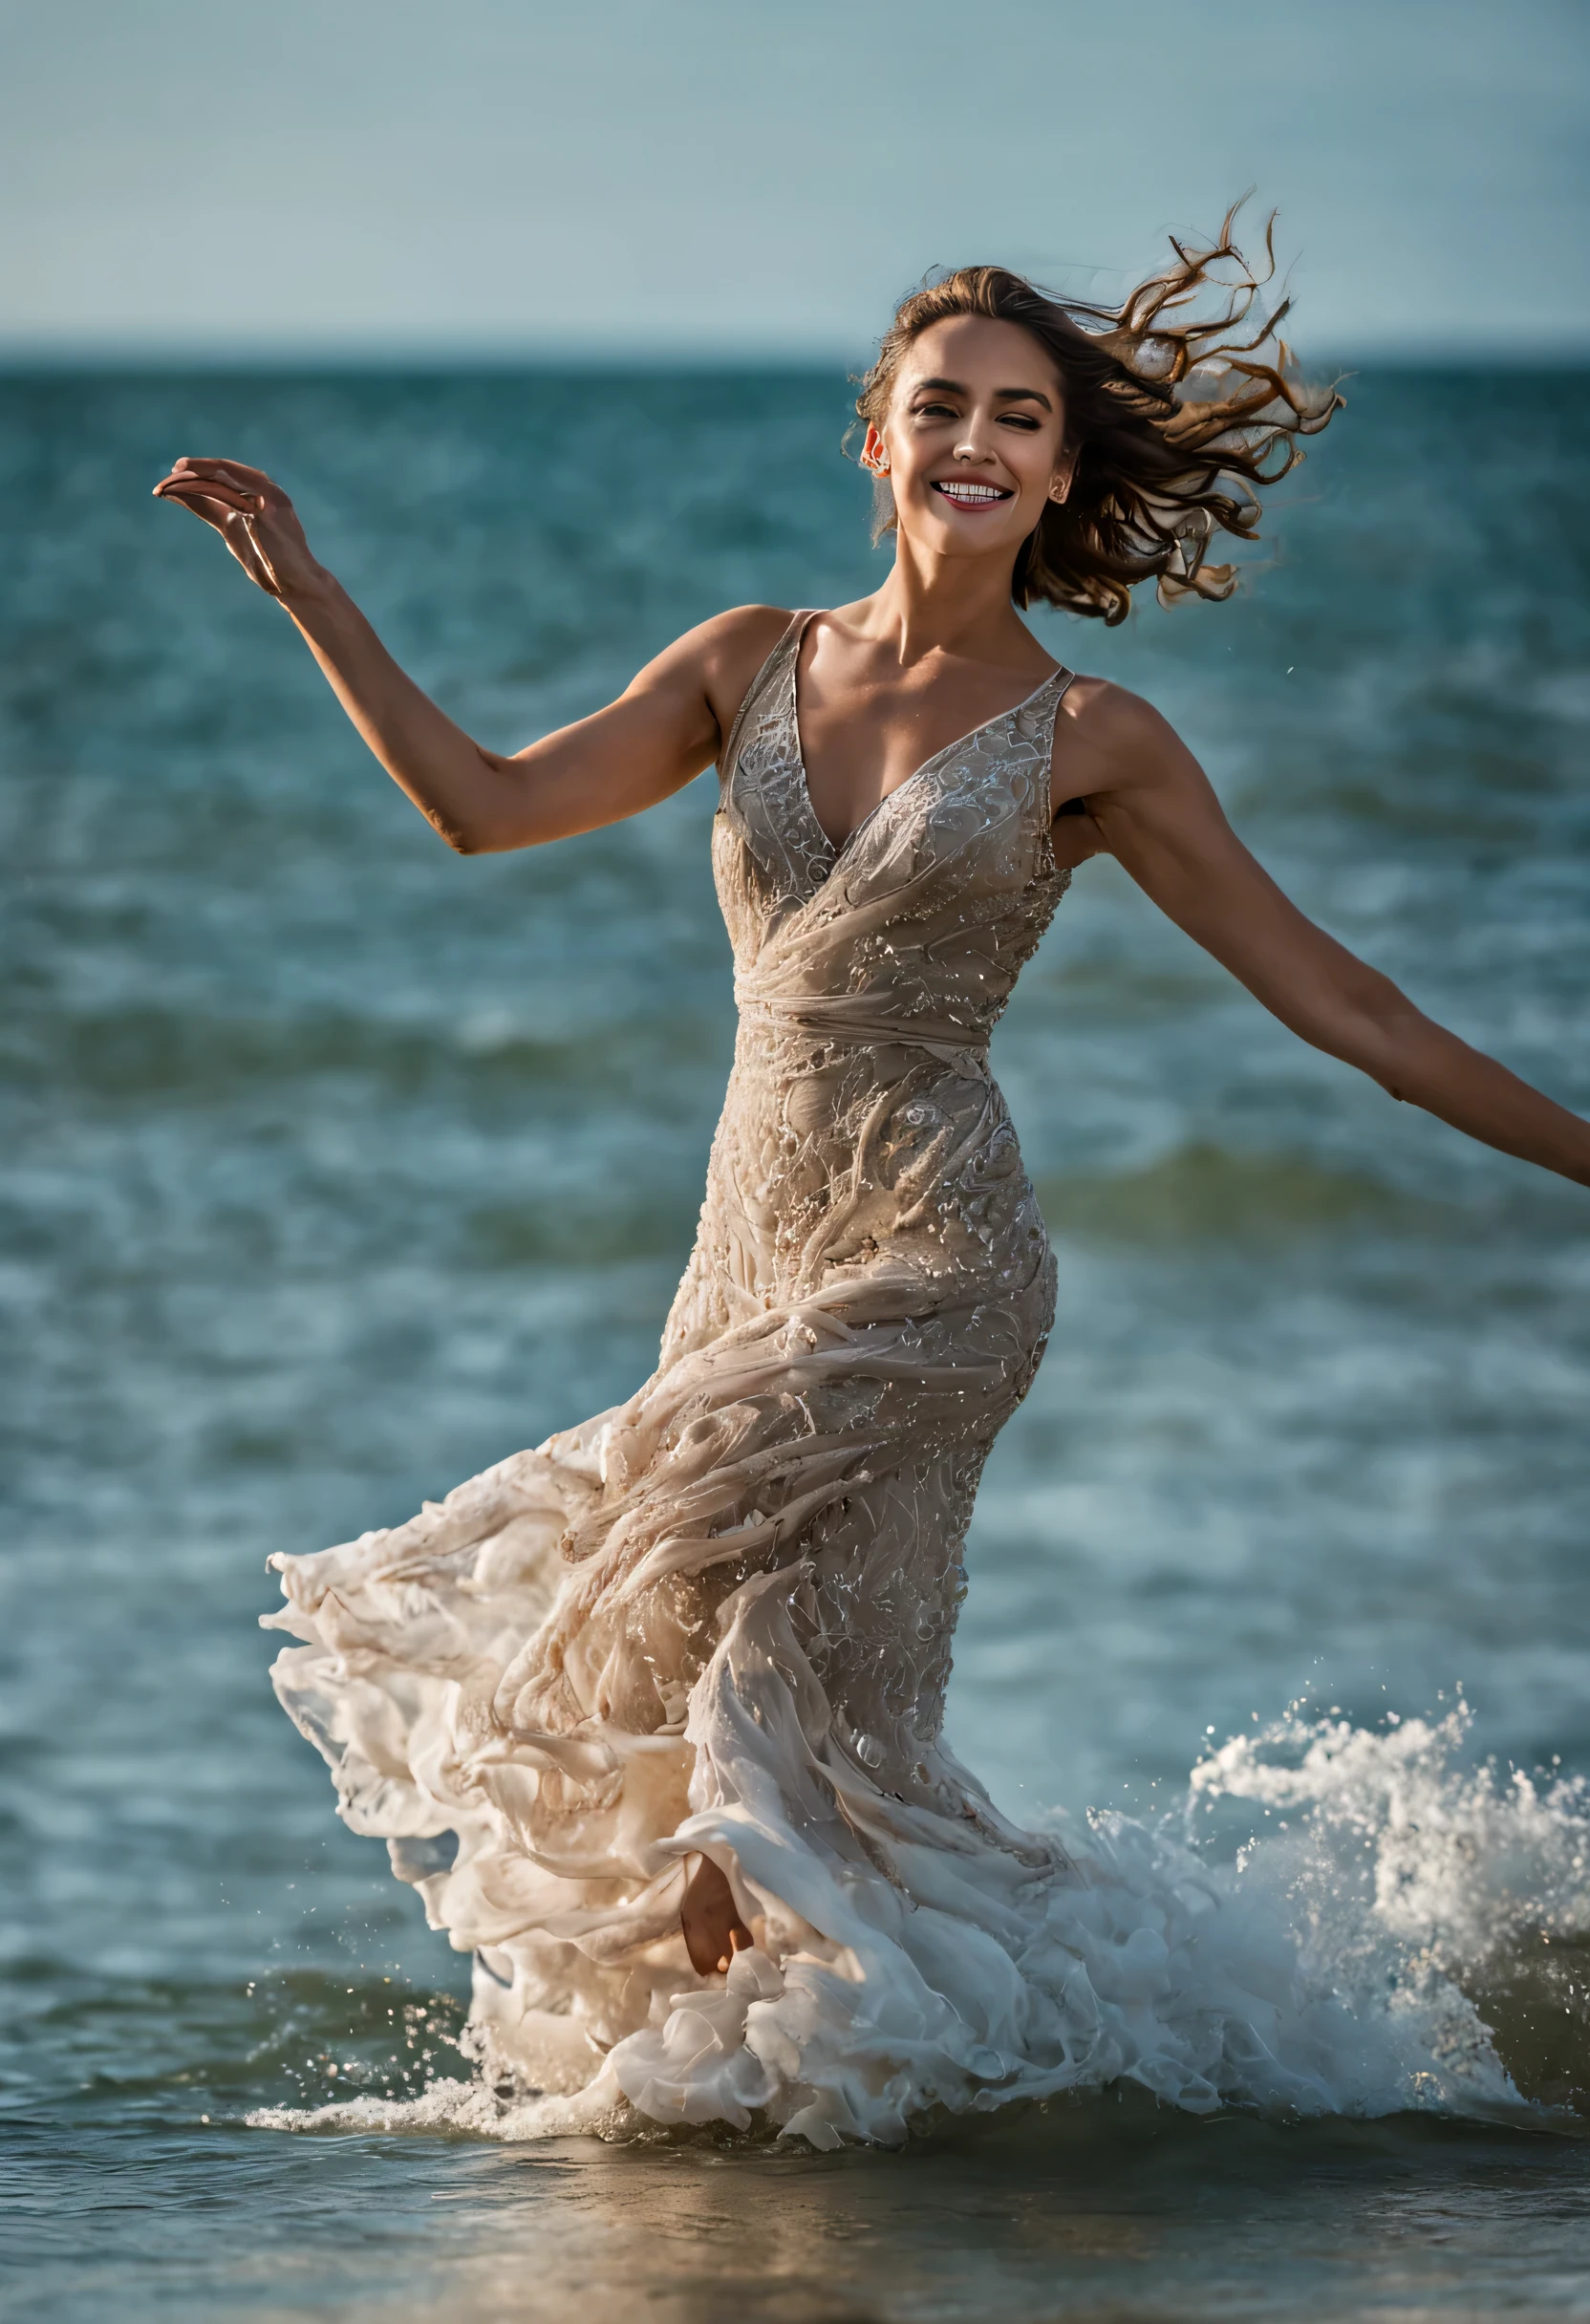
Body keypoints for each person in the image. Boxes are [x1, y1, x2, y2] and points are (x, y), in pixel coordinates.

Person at [156, 218, 1589, 2145]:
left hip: (935, 1264)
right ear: (875, 440)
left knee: (739, 1696)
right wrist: (315, 594)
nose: (974, 439)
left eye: (1018, 416)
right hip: (741, 1263)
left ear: (1062, 471)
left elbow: (1353, 1007)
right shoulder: (744, 662)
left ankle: (808, 2131)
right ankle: (806, 2118)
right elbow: (482, 809)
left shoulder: (1096, 740)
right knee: (722, 1735)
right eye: (940, 408)